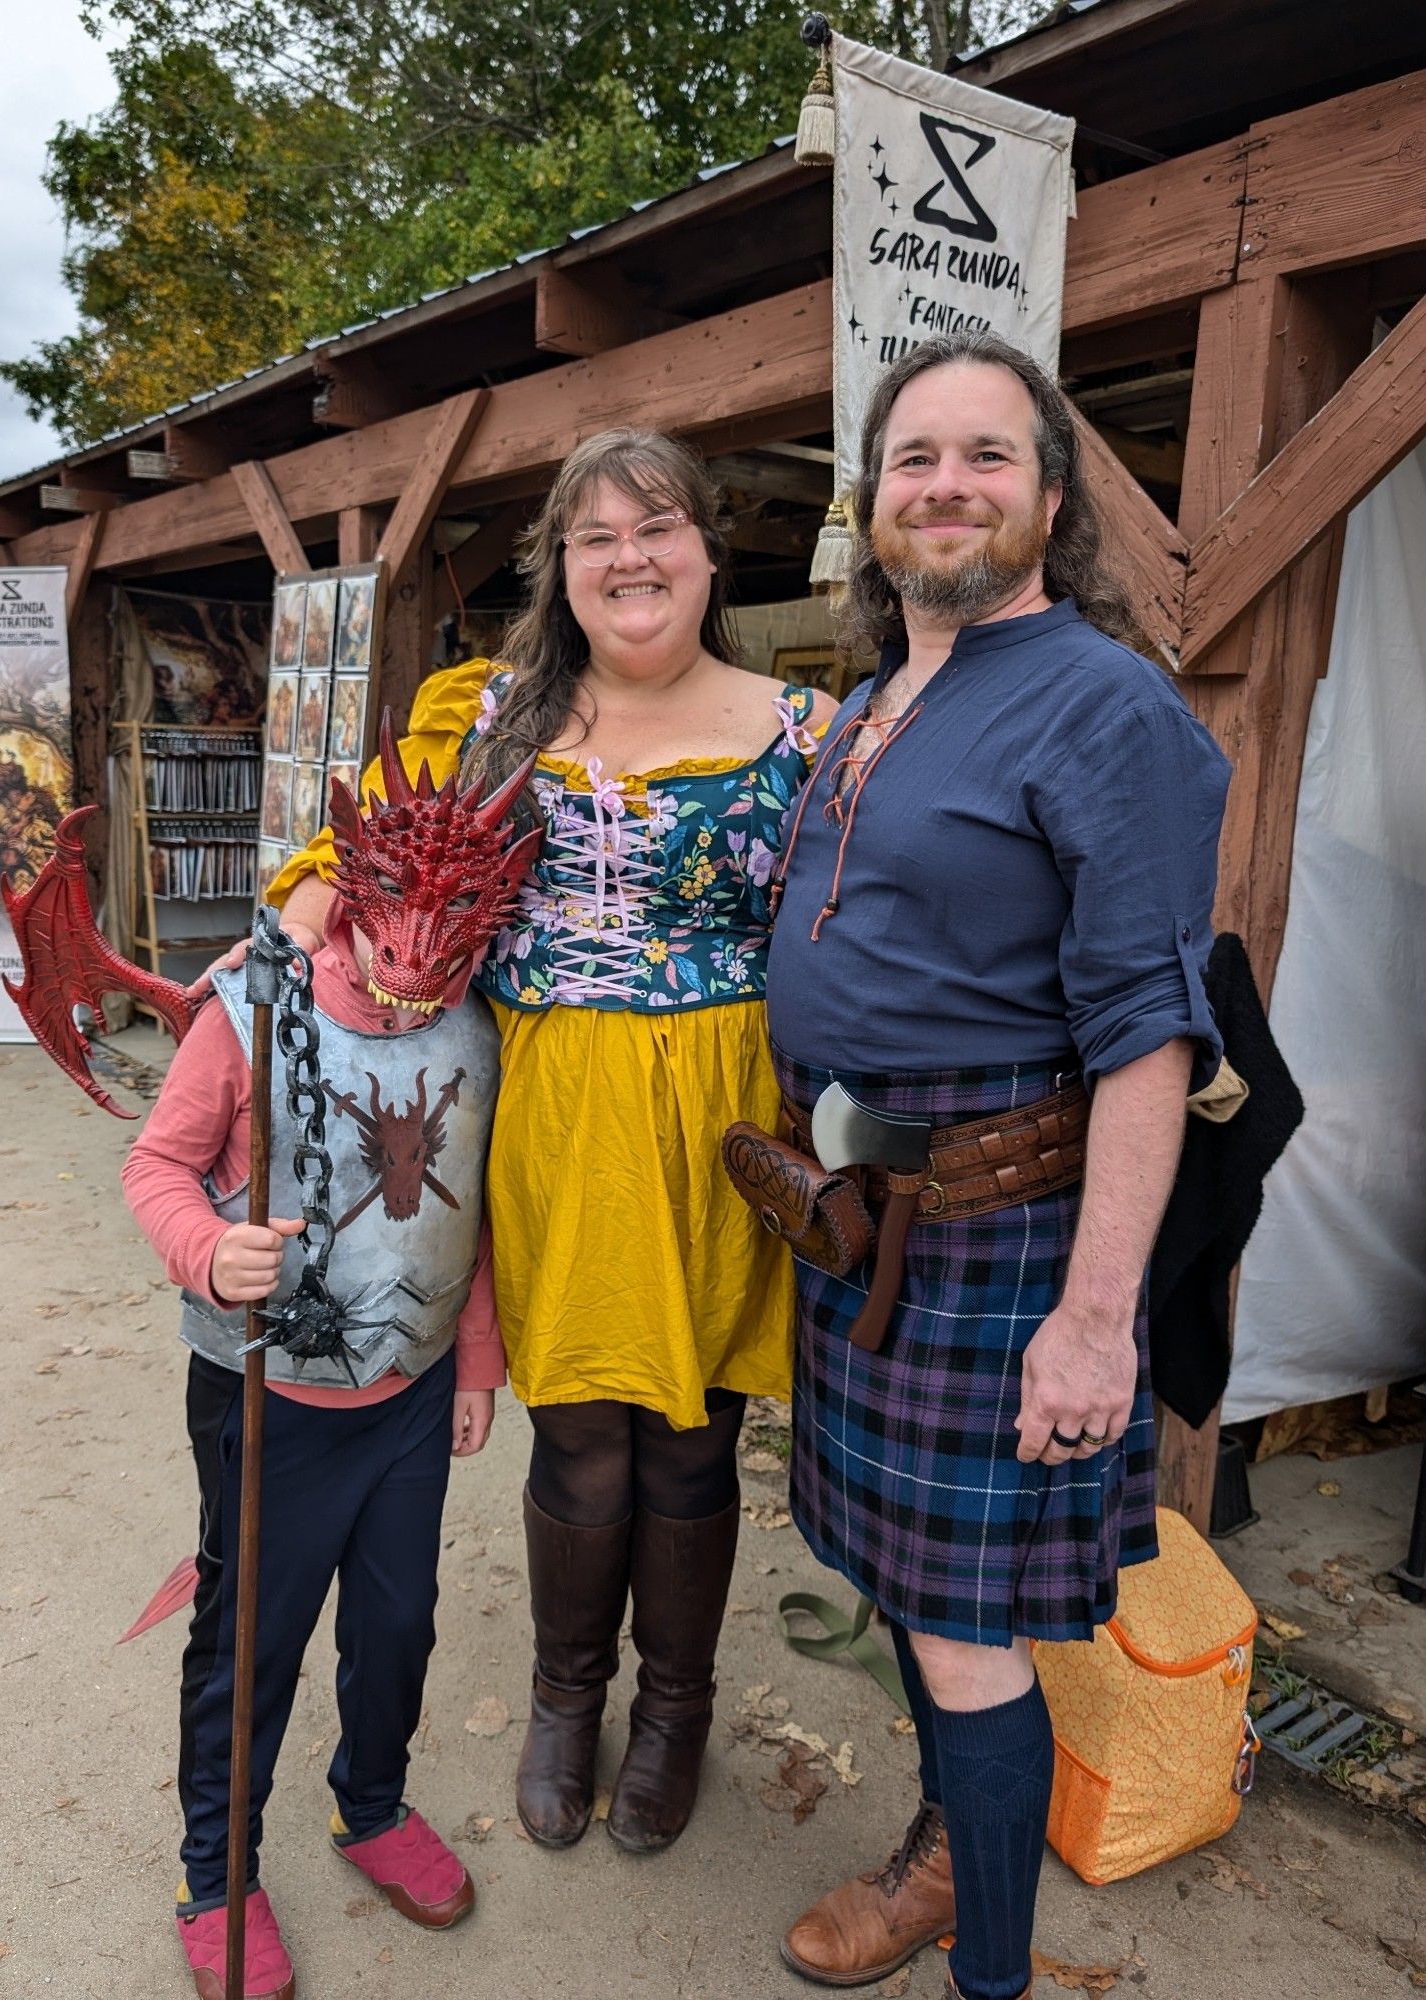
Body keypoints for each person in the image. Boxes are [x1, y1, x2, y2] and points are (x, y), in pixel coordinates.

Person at [265, 428, 837, 1854]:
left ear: (710, 549)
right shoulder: (488, 718)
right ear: (561, 569)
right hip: (549, 1111)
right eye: (596, 537)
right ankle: (565, 1699)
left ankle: (676, 1711)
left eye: (657, 527)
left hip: (721, 1126)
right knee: (580, 1429)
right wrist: (265, 1008)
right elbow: (342, 878)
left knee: (694, 1438)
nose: (630, 558)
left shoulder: (812, 735)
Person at [765, 333, 1229, 2000]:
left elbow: (1147, 1036)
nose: (945, 485)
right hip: (869, 1220)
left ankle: (991, 1966)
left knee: (966, 1635)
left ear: (1050, 496)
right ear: (872, 496)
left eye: (985, 456)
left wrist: (1097, 1317)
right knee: (910, 1589)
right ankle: (954, 1853)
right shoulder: (878, 692)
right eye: (914, 458)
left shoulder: (1105, 704)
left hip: (1001, 1234)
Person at [124, 734, 540, 2000]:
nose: (416, 975)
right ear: (353, 896)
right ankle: (217, 1867)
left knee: (397, 1620)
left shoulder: (479, 1023)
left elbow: (459, 1213)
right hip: (270, 1401)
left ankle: (369, 1802)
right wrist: (207, 1248)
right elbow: (157, 1165)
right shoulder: (255, 1005)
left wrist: (473, 1363)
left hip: (408, 1397)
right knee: (248, 1643)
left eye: (448, 946)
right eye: (394, 937)